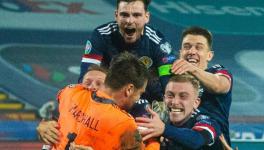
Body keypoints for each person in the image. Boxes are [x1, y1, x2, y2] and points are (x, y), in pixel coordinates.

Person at [79, 0, 176, 102]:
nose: (129, 21)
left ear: (146, 17)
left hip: (147, 100)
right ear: (116, 15)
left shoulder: (158, 42)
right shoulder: (101, 35)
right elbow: (86, 74)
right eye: (124, 15)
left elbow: (168, 82)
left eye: (136, 15)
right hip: (109, 99)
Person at [52, 52, 152, 149]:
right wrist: (155, 139)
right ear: (129, 89)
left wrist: (45, 124)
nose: (138, 98)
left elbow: (58, 116)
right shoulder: (124, 123)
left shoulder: (71, 92)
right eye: (140, 93)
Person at [171, 26, 233, 146]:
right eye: (187, 47)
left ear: (209, 55)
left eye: (199, 47)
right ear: (180, 53)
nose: (192, 52)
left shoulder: (218, 71)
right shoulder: (171, 79)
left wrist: (192, 69)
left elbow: (220, 86)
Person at [136, 74, 222, 149]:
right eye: (170, 95)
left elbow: (197, 139)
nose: (174, 102)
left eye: (183, 96)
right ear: (164, 98)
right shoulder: (159, 121)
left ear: (196, 102)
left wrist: (164, 130)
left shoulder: (208, 121)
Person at [37, 65, 107, 146]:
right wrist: (42, 128)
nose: (92, 87)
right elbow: (45, 126)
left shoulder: (117, 118)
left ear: (108, 89)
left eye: (99, 84)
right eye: (87, 83)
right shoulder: (68, 106)